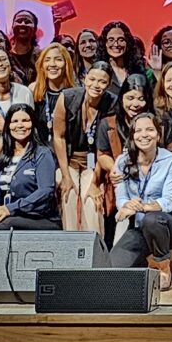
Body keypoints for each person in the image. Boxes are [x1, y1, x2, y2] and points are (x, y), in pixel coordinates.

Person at [106, 111, 172, 286]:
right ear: (132, 136)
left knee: (152, 220)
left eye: (150, 130)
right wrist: (126, 205)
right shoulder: (122, 161)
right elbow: (121, 199)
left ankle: (163, 267)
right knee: (112, 268)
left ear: (158, 135)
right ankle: (145, 263)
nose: (144, 135)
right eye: (138, 131)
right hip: (139, 228)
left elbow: (170, 200)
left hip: (168, 225)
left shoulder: (171, 160)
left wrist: (141, 207)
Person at [0, 104, 62, 236]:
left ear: (33, 124)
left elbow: (45, 191)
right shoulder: (5, 156)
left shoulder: (42, 153)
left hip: (38, 217)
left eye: (25, 120)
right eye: (15, 121)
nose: (20, 125)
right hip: (9, 217)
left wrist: (9, 209)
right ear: (8, 126)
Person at [55, 62, 116, 234]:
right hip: (68, 162)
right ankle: (71, 246)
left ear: (109, 84)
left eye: (102, 82)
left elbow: (105, 149)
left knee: (92, 202)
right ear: (84, 79)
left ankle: (94, 247)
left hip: (95, 164)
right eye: (92, 79)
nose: (96, 85)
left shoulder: (112, 103)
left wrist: (95, 182)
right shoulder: (67, 98)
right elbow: (59, 137)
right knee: (68, 196)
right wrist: (66, 176)